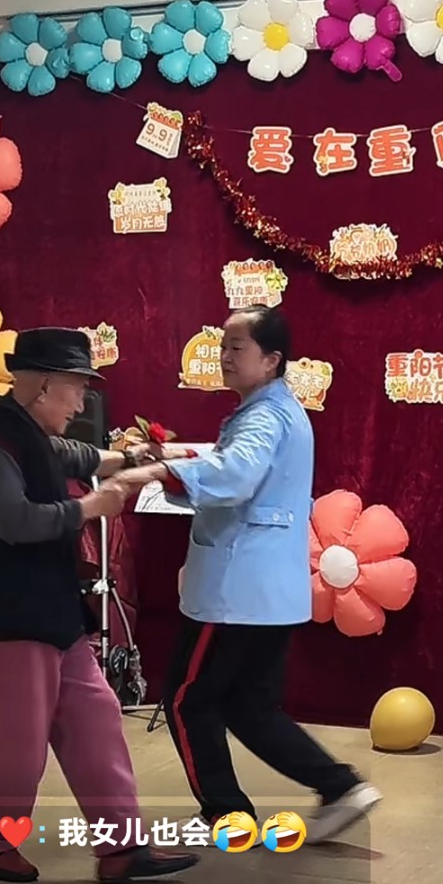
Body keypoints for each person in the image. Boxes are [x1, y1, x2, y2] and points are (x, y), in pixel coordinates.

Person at [0, 327, 199, 884]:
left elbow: (79, 456)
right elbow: (14, 520)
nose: (82, 403)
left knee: (96, 719)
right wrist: (89, 508)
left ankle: (122, 848)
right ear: (43, 385)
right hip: (1, 618)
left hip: (52, 612)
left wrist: (134, 457)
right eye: (76, 389)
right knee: (18, 745)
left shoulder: (30, 434)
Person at [123, 307, 381, 843]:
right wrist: (171, 456)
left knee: (187, 700)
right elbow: (234, 461)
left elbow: (235, 473)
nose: (224, 357)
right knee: (248, 706)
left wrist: (159, 469)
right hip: (267, 592)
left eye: (236, 347)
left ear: (271, 359)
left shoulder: (264, 416)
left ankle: (224, 814)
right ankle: (340, 785)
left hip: (234, 592)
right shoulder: (275, 410)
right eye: (223, 346)